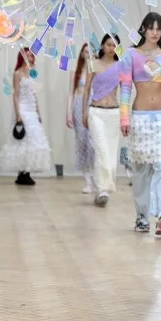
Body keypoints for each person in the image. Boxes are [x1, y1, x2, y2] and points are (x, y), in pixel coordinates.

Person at [119, 13, 161, 236]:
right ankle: (142, 216)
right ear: (143, 29)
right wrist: (124, 117)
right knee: (141, 170)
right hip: (140, 118)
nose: (155, 32)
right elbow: (125, 90)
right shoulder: (130, 55)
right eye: (151, 28)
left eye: (159, 28)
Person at [0, 48, 51, 185]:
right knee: (23, 140)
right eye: (28, 56)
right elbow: (15, 95)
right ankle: (21, 173)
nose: (31, 58)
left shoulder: (32, 74)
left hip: (31, 109)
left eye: (32, 56)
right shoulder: (17, 74)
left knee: (33, 140)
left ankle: (26, 171)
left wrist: (38, 112)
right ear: (22, 57)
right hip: (22, 109)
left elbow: (34, 95)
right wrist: (18, 114)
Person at [82, 34, 121, 207]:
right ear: (103, 45)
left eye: (114, 45)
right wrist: (84, 112)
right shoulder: (93, 63)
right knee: (101, 151)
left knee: (111, 154)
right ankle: (102, 189)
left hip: (114, 113)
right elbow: (87, 89)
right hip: (96, 112)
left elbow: (125, 90)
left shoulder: (121, 66)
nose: (111, 48)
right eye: (108, 44)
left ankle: (104, 188)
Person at [66, 43, 95, 193]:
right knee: (82, 142)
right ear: (81, 54)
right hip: (78, 106)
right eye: (85, 52)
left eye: (90, 52)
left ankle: (96, 176)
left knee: (94, 143)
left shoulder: (97, 70)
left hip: (94, 106)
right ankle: (87, 180)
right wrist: (68, 113)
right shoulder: (75, 72)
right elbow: (71, 93)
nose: (87, 54)